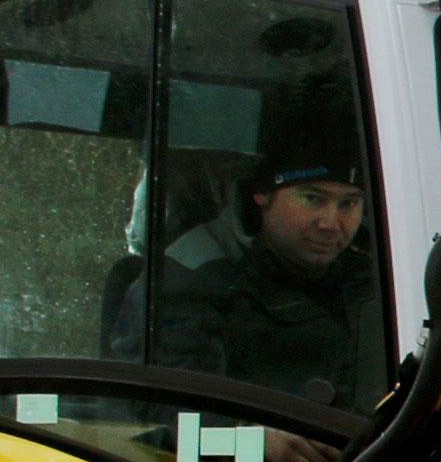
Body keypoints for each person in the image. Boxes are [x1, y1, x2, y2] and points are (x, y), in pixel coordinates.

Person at [150, 117, 385, 411]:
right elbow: (169, 411)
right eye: (313, 199)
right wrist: (256, 433)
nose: (330, 223)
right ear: (263, 194)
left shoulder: (381, 279)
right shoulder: (194, 279)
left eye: (348, 204)